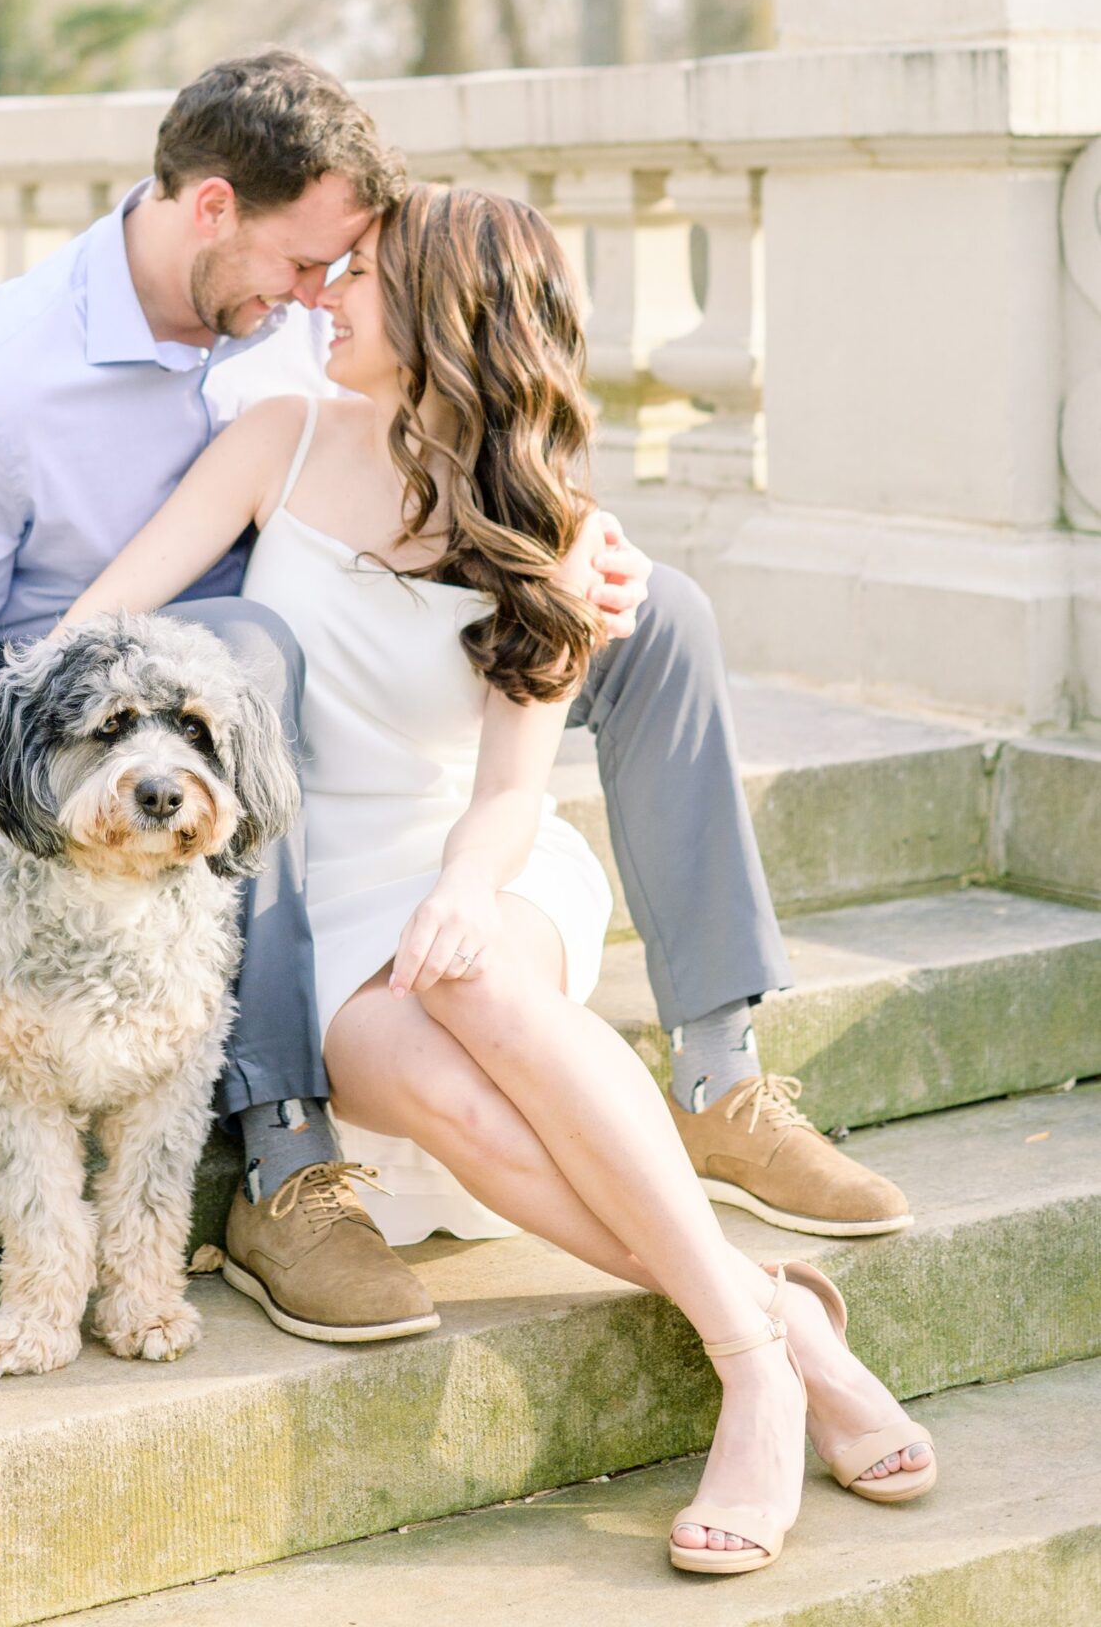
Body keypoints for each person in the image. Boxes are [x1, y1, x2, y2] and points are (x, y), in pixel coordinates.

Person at [0, 48, 905, 1353]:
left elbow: (461, 414)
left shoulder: (307, 338)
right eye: (312, 267)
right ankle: (289, 1150)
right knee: (248, 644)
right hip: (139, 715)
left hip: (351, 653)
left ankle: (716, 1069)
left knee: (661, 608)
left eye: (348, 272)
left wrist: (568, 542)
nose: (320, 298)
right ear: (213, 210)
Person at [59, 183, 935, 1576]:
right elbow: (103, 618)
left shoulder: (557, 532)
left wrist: (465, 893)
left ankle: (752, 1374)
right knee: (453, 1084)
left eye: (357, 278)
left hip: (477, 860)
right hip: (314, 901)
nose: (323, 296)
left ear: (441, 318)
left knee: (484, 988)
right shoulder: (277, 440)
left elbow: (513, 790)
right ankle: (780, 1315)